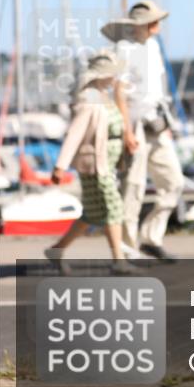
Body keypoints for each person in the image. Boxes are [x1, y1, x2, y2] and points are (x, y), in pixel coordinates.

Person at [102, 0, 184, 263]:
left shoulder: (153, 47)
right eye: (155, 20)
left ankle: (151, 238)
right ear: (145, 24)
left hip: (156, 124)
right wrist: (127, 131)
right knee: (133, 188)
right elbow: (119, 92)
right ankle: (127, 248)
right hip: (134, 125)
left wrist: (167, 124)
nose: (159, 25)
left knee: (174, 182)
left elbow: (157, 89)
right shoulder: (123, 49)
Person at [45, 51, 140, 275]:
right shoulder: (88, 98)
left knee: (93, 213)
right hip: (94, 165)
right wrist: (61, 165)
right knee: (112, 208)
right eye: (110, 75)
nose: (113, 78)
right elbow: (75, 133)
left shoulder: (104, 95)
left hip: (107, 162)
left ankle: (57, 250)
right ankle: (119, 261)